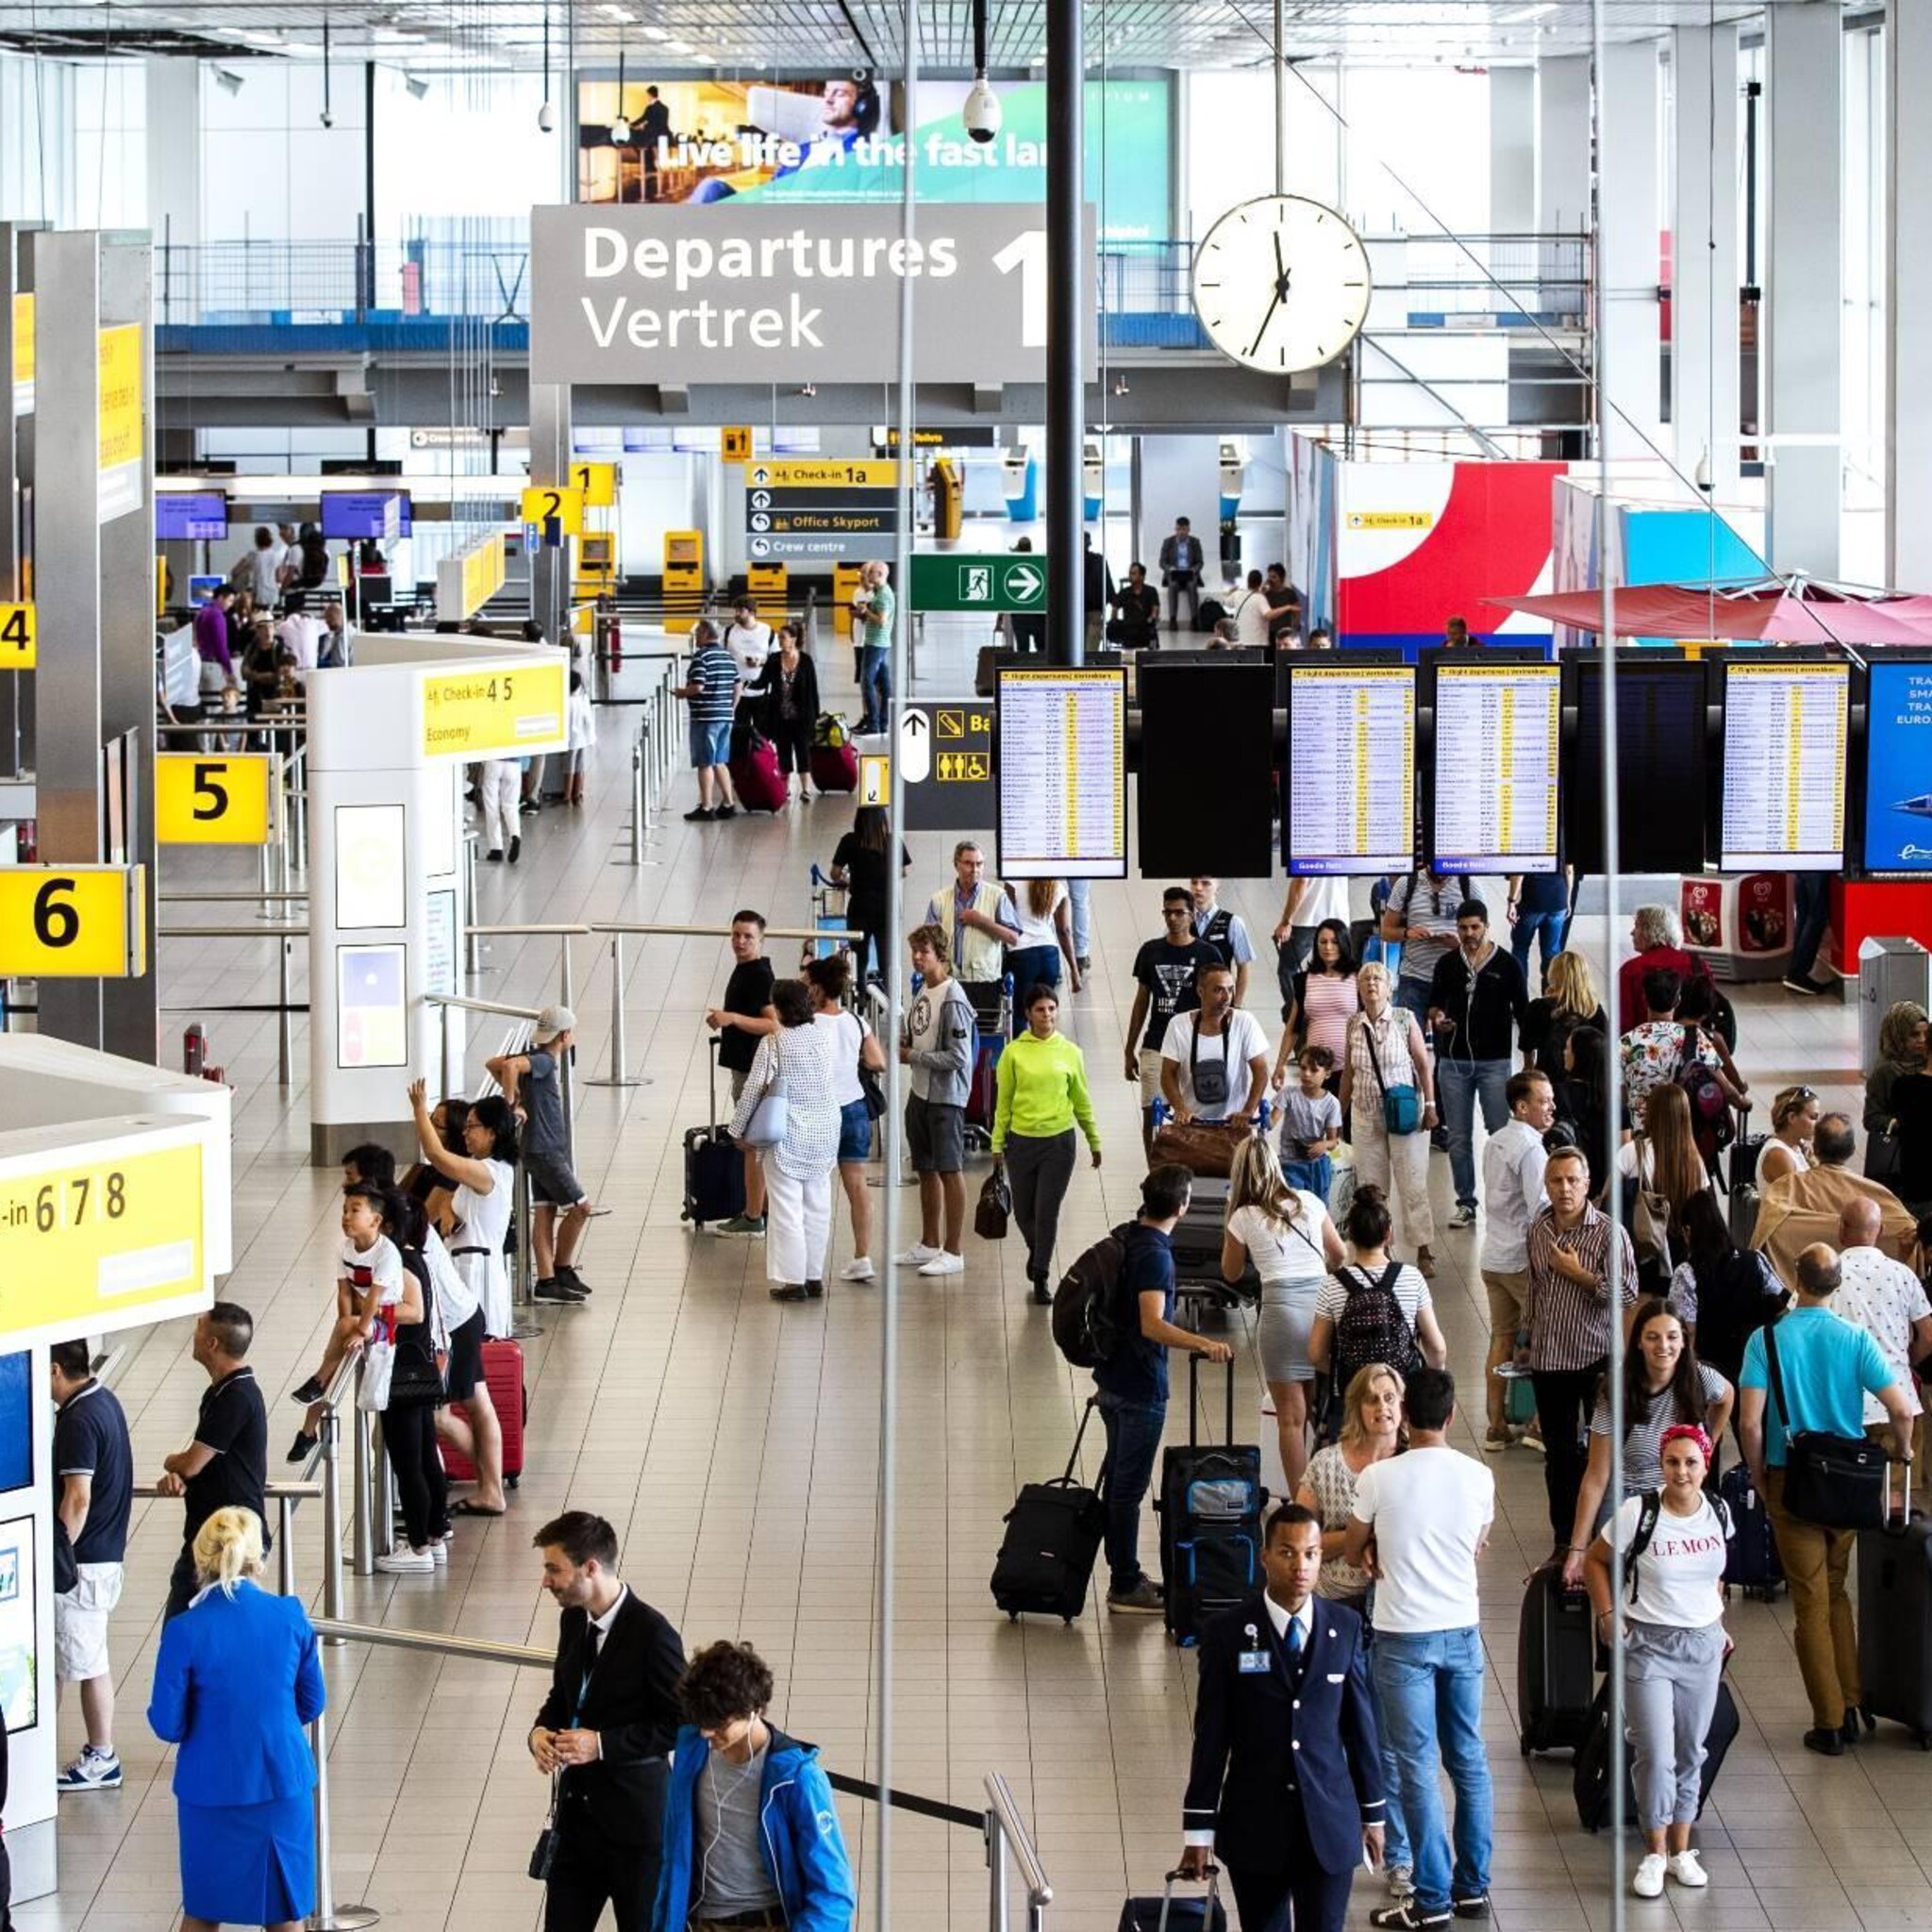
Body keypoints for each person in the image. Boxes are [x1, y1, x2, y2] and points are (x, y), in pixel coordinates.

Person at [1177, 1506, 1387, 1932]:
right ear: (1266, 1556)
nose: (1301, 1566)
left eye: (1311, 1554)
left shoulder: (1344, 1628)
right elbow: (1212, 1737)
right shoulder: (1228, 1633)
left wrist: (1374, 1814)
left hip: (1328, 1825)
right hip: (1256, 1827)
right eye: (1288, 1553)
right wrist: (1199, 1829)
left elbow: (1361, 1730)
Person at [1739, 1244, 1914, 1753]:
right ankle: (1854, 1699)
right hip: (1847, 1484)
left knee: (1811, 1602)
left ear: (1797, 1277)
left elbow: (1750, 1421)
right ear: (1837, 1284)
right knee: (1836, 1592)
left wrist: (1756, 1471)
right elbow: (1901, 1410)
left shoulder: (1765, 1339)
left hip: (1789, 1480)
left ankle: (1830, 1722)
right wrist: (1900, 1455)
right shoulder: (1855, 1338)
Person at [1343, 1368, 1495, 1932]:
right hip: (1461, 1631)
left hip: (1401, 1637)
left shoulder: (1380, 1478)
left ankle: (1430, 1899)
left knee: (1415, 1767)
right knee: (1469, 1761)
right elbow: (1478, 1541)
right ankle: (1472, 1887)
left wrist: (1377, 1544)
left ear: (1405, 1418)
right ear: (1452, 1416)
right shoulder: (1479, 1477)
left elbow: (1355, 1543)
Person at [147, 1507, 325, 1932]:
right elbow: (312, 1701)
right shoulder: (289, 1615)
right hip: (280, 1781)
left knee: (203, 1910)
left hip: (209, 1789)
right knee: (284, 1913)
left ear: (200, 1557)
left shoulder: (185, 1629)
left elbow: (167, 1725)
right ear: (256, 1557)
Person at [1582, 1424, 1731, 1896]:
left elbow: (1715, 1578)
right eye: (1672, 1462)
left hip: (1702, 1646)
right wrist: (1608, 1614)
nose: (1681, 1472)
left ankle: (1682, 1851)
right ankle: (1654, 1851)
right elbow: (1595, 1561)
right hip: (1648, 1646)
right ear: (1661, 1464)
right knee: (1656, 1754)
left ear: (1706, 1466)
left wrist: (1719, 1623)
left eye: (1691, 1462)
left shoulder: (1720, 1513)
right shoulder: (1638, 1512)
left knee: (1690, 1751)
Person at [529, 1513, 688, 1932]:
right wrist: (540, 1732)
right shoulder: (573, 1619)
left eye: (554, 1569)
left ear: (591, 1568)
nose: (546, 1581)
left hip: (636, 1828)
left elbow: (682, 1723)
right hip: (577, 1820)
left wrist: (602, 1745)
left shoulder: (653, 1635)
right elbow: (564, 1697)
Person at [1094, 1165, 1235, 1613]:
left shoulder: (1129, 1236)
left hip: (1113, 1381)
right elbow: (1152, 1323)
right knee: (1127, 1491)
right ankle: (1125, 1582)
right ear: (1182, 1206)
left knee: (1117, 1484)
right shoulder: (1155, 1254)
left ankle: (1125, 1574)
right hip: (1139, 1390)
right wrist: (1204, 1343)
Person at [1298, 1362, 1413, 1898]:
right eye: (1372, 1399)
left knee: (1390, 1738)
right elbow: (1300, 1539)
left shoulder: (1416, 1465)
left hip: (1393, 1612)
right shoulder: (1326, 1465)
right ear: (1357, 1408)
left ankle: (1400, 1854)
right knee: (1334, 1734)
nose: (1383, 1407)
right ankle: (1338, 1837)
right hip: (1335, 1612)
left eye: (1390, 1397)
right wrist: (1357, 1541)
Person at [652, 1641, 856, 1932]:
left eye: (719, 1724)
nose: (707, 1732)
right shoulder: (692, 1752)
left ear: (755, 1710)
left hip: (769, 1924)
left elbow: (833, 1893)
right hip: (699, 1922)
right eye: (701, 1721)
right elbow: (673, 1858)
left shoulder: (798, 1779)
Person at [1517, 1145, 1640, 1555]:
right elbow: (1534, 1288)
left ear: (1587, 1185)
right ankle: (1565, 1538)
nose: (1565, 1189)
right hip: (1549, 1360)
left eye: (1573, 1180)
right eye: (1556, 1180)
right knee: (1560, 1457)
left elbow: (1626, 1292)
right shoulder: (1538, 1230)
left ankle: (1607, 1535)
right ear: (1546, 1185)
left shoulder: (1608, 1233)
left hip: (1596, 1358)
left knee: (1606, 1453)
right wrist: (1526, 1337)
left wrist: (1581, 1275)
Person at [1561, 1301, 1732, 1582]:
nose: (1663, 1346)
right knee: (1620, 1588)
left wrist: (1707, 1443)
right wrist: (1578, 1549)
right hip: (1627, 1498)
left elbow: (1727, 1396)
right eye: (1652, 1337)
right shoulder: (1617, 1391)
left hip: (1679, 1499)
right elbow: (1596, 1475)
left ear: (1684, 1341)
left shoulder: (1701, 1378)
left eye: (1672, 1337)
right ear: (1639, 1342)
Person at [397, 1091, 511, 1511]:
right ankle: (487, 1484)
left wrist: (418, 1111)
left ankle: (488, 1484)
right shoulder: (484, 1175)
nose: (466, 1136)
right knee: (473, 1396)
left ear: (493, 1133)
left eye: (472, 1128)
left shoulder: (489, 1172)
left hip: (475, 1279)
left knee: (470, 1399)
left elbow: (435, 1153)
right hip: (471, 1273)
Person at [1225, 1137, 1344, 1490]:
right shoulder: (1309, 1201)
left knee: (1291, 1421)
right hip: (1322, 1311)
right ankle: (1334, 1493)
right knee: (1325, 1412)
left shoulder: (1242, 1216)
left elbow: (1230, 1273)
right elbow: (1338, 1255)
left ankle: (1301, 1507)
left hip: (1281, 1313)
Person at [51, 1340, 133, 1793]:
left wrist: (58, 1553)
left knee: (83, 1661)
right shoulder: (103, 1400)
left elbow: (78, 1497)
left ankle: (102, 1755)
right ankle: (97, 1752)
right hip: (103, 1558)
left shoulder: (79, 1419)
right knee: (79, 1659)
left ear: (55, 1369)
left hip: (83, 1566)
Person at [730, 978, 842, 1304]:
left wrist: (737, 1132)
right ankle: (813, 1275)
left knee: (787, 1210)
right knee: (818, 1207)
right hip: (825, 1132)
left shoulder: (774, 1043)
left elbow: (752, 1091)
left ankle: (794, 1281)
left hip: (788, 1134)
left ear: (778, 1009)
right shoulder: (822, 1036)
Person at [991, 982, 1101, 1304]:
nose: (1047, 1015)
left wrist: (1093, 1138)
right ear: (1028, 1014)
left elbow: (1081, 1099)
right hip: (1021, 1142)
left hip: (1059, 1143)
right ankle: (1036, 1252)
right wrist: (997, 1144)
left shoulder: (1070, 1052)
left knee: (1047, 1211)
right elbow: (1003, 1102)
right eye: (1040, 1009)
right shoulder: (1013, 1053)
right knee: (1024, 1214)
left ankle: (1041, 1274)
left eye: (1052, 1008)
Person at [158, 1304, 268, 1622]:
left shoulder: (235, 1396)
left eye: (198, 1328)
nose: (192, 1335)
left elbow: (192, 1463)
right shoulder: (224, 1391)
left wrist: (171, 1462)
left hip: (225, 1536)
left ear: (212, 1344)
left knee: (183, 1623)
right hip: (216, 1528)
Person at [1427, 899, 1527, 1229]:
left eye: (1474, 927)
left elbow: (1523, 1014)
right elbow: (1434, 1005)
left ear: (1486, 926)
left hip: (1495, 1062)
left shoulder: (1508, 965)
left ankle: (1504, 1200)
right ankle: (1466, 1201)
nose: (1469, 934)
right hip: (1453, 1062)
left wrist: (1528, 1064)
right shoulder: (1446, 965)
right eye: (1463, 928)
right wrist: (1438, 1019)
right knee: (1457, 1136)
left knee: (1500, 1133)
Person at [490, 1008, 597, 1303]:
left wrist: (519, 1097)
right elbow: (508, 1068)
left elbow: (495, 1064)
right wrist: (511, 1104)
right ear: (564, 1036)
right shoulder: (544, 1062)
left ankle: (548, 1280)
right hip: (545, 1149)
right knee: (581, 1208)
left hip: (539, 1147)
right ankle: (561, 1268)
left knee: (545, 1211)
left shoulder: (534, 1060)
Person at [1339, 961, 1439, 1274]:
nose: (1371, 983)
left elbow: (1423, 1065)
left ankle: (1424, 1250)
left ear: (1389, 986)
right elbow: (1349, 1073)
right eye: (1366, 978)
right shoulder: (1353, 1023)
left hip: (1403, 1113)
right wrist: (1337, 1113)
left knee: (1412, 1181)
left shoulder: (1404, 1019)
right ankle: (1380, 1247)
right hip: (1364, 1114)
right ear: (1358, 987)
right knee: (1371, 1186)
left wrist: (1431, 1105)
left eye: (1378, 978)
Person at [1754, 1111, 1923, 1289]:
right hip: (1865, 1293)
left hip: (1800, 1294)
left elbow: (1767, 1231)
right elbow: (1908, 1231)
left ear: (1816, 1148)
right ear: (1852, 1150)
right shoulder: (1876, 1194)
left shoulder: (1786, 1189)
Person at [373, 1192, 451, 1573]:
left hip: (402, 1373)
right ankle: (435, 1535)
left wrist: (368, 1313)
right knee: (424, 1457)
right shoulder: (418, 1258)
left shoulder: (400, 1262)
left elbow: (414, 1313)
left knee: (409, 1464)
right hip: (420, 1370)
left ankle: (419, 1544)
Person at [1310, 1188, 1449, 1398]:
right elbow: (1437, 1348)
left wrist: (1345, 1377)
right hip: (1402, 1390)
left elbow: (1316, 1354)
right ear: (1388, 1233)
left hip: (1353, 1396)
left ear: (1350, 1234)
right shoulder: (1412, 1278)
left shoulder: (1332, 1285)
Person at [1478, 1070, 1554, 1452]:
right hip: (1522, 1261)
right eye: (1543, 1100)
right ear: (1522, 1107)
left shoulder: (1494, 1141)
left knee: (1501, 1338)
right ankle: (1539, 1423)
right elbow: (1540, 1207)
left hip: (1493, 1256)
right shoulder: (1531, 1148)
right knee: (1548, 1337)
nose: (1551, 1107)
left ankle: (1495, 1425)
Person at [897, 924, 975, 1277]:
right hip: (920, 1093)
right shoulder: (923, 991)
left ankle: (954, 1249)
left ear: (940, 954)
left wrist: (913, 1056)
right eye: (915, 950)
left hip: (945, 1099)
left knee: (948, 1169)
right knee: (925, 1167)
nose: (917, 957)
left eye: (924, 951)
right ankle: (929, 1241)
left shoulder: (953, 998)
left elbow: (958, 1057)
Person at [805, 954, 886, 1284]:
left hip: (821, 1110)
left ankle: (810, 1263)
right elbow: (878, 1062)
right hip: (853, 1108)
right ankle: (861, 1256)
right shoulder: (856, 1021)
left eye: (810, 985)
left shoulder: (807, 1024)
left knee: (815, 1187)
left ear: (820, 989)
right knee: (857, 1185)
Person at [1125, 888, 1224, 1155]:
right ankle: (1155, 1173)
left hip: (1196, 1045)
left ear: (1192, 915)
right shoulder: (1150, 951)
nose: (1172, 918)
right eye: (1167, 912)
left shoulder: (1208, 954)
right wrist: (1129, 1049)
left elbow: (1222, 1001)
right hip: (1156, 1043)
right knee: (1153, 1111)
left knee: (1193, 1111)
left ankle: (1188, 1168)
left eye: (1179, 912)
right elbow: (1141, 1001)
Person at [1831, 1196, 1932, 1439]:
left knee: (1841, 1476)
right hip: (1898, 1405)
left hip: (1839, 1407)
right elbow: (1928, 1336)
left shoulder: (1825, 1273)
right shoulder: (1903, 1275)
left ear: (1841, 1227)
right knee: (1900, 1474)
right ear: (1881, 1230)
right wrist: (1908, 1362)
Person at [705, 910, 776, 1240]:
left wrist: (732, 1018)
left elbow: (773, 1024)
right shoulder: (746, 970)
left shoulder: (759, 976)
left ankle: (752, 1215)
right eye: (736, 935)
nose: (740, 941)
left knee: (751, 1144)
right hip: (745, 1066)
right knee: (753, 1143)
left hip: (753, 1071)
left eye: (747, 936)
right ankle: (758, 1209)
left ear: (761, 939)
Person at [1666, 1190, 1787, 1384]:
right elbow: (1784, 1306)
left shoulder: (1686, 1274)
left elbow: (1687, 1333)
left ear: (1688, 1231)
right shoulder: (1755, 1260)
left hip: (1712, 1373)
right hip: (1755, 1367)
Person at [1618, 968, 1746, 1128]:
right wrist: (1742, 1103)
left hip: (1641, 1137)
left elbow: (1621, 1096)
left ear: (1645, 998)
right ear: (1678, 1000)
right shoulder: (1695, 1038)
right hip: (1682, 1134)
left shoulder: (1626, 1043)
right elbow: (1726, 1088)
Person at [1617, 1082, 1716, 1286]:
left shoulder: (1632, 1152)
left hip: (1642, 1250)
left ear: (1652, 1113)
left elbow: (1610, 1196)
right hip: (1682, 1252)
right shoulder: (1694, 1159)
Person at [1160, 962, 1271, 1126]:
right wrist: (1180, 1108)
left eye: (1230, 989)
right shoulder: (1178, 1025)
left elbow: (1261, 1070)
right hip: (1193, 1122)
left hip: (1234, 1122)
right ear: (1200, 991)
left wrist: (1248, 1111)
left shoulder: (1244, 1022)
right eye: (1219, 990)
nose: (1227, 997)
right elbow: (1167, 1074)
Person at [923, 841, 1021, 995]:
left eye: (979, 864)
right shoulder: (939, 899)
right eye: (969, 863)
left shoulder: (997, 896)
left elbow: (1013, 938)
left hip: (985, 982)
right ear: (956, 865)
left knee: (984, 1020)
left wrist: (982, 922)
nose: (975, 869)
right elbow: (927, 943)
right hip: (947, 981)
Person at [828, 803, 909, 988]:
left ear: (859, 819)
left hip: (859, 908)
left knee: (859, 960)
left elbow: (834, 872)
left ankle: (861, 1001)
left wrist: (848, 879)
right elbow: (904, 871)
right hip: (888, 909)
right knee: (887, 960)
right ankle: (890, 1001)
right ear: (883, 819)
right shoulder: (893, 841)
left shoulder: (849, 841)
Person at [1275, 917, 1360, 1090]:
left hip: (1353, 1067)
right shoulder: (1304, 980)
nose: (1328, 947)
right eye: (1323, 942)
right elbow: (1293, 1028)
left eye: (1335, 942)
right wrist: (1280, 1064)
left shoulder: (1358, 977)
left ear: (1344, 944)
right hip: (1316, 1070)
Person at [1380, 867, 1470, 1026]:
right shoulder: (1406, 883)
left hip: (1453, 979)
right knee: (1405, 1042)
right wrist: (1408, 933)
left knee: (1448, 1045)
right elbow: (1386, 932)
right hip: (1413, 979)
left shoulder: (1468, 884)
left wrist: (1460, 945)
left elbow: (1483, 935)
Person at [673, 619, 741, 822]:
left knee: (705, 762)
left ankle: (706, 806)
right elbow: (738, 687)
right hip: (725, 717)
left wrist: (682, 692)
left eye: (696, 634)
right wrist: (731, 709)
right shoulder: (728, 657)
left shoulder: (701, 657)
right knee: (720, 761)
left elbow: (698, 686)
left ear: (704, 634)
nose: (694, 638)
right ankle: (728, 803)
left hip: (706, 717)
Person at [744, 622, 818, 806]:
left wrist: (814, 718)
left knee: (802, 752)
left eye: (783, 638)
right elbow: (762, 682)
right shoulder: (775, 659)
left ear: (793, 639)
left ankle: (806, 789)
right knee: (784, 753)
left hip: (802, 717)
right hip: (780, 716)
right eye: (779, 638)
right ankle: (784, 790)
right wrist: (746, 684)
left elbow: (812, 692)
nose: (780, 641)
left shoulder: (806, 661)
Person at [1615, 906, 1713, 1034]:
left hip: (1645, 1047)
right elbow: (1709, 1011)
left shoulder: (1630, 970)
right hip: (1692, 1044)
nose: (1632, 932)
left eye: (1637, 926)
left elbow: (1623, 1026)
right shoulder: (1699, 965)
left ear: (1649, 931)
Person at [1518, 947, 1605, 1083]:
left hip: (1547, 1078)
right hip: (1585, 1079)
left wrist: (1529, 1066)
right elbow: (1606, 1043)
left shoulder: (1539, 1007)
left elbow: (1527, 1045)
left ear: (1552, 975)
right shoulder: (1592, 1009)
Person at [1864, 1002, 1929, 1183]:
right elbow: (1871, 1118)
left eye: (1926, 1034)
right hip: (1900, 1156)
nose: (1922, 1040)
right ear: (1898, 1036)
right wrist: (1903, 1123)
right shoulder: (1885, 1072)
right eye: (1914, 1034)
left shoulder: (1928, 1064)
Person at [1277, 1046, 1343, 1201]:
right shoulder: (1288, 1094)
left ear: (1327, 1074)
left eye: (1314, 1070)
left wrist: (1324, 1145)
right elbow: (1270, 1122)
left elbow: (1333, 1141)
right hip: (1289, 1164)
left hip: (1316, 1167)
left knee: (1319, 1209)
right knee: (1292, 1207)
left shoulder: (1332, 1104)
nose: (1306, 1074)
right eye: (1303, 1068)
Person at [1003, 876, 1081, 1007]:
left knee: (1019, 1012)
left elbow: (1006, 919)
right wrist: (1074, 970)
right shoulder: (1059, 888)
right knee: (1043, 1008)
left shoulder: (1013, 883)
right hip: (1049, 955)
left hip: (1020, 954)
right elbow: (1064, 931)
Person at [1274, 874, 1353, 997]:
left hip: (1307, 918)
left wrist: (1286, 921)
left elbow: (1301, 882)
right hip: (1339, 915)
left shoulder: (1302, 853)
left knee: (1288, 970)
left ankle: (1295, 1011)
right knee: (1335, 970)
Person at [1188, 874, 1257, 1007]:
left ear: (1217, 888)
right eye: (1194, 882)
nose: (1198, 888)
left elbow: (1243, 968)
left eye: (1205, 883)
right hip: (1188, 1000)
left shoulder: (1233, 923)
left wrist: (1236, 1006)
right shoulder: (1183, 921)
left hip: (1219, 1000)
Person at [1503, 867, 1572, 988]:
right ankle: (1552, 997)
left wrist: (1511, 902)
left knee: (1520, 948)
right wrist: (1568, 899)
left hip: (1530, 902)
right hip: (1558, 901)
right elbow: (1569, 870)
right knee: (1552, 953)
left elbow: (1518, 873)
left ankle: (1520, 995)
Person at [852, 558, 894, 734]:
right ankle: (883, 722)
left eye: (871, 573)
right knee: (884, 684)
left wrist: (865, 612)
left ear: (880, 574)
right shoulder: (880, 592)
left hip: (876, 643)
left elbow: (882, 620)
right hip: (878, 642)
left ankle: (874, 724)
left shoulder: (884, 595)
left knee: (867, 681)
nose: (867, 575)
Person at [1758, 1084, 1820, 1190]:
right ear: (1792, 1118)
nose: (1817, 1123)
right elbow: (1802, 1198)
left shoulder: (1795, 1146)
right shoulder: (1779, 1155)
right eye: (1813, 1117)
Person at [1158, 516, 1205, 629]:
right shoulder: (1168, 542)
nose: (1181, 532)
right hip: (1174, 573)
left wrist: (1193, 570)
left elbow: (1200, 562)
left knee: (1192, 585)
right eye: (1178, 529)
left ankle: (1194, 619)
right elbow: (1162, 562)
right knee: (1173, 586)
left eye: (1183, 529)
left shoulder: (1195, 542)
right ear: (1175, 529)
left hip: (1189, 573)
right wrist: (1170, 569)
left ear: (1188, 529)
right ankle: (1173, 619)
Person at [478, 742, 523, 862]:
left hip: (493, 760)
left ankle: (496, 849)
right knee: (511, 806)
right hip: (514, 762)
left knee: (492, 807)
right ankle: (515, 835)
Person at [1109, 560, 1161, 648]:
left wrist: (1152, 618)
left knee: (1150, 631)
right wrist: (1114, 621)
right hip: (1129, 629)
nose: (1130, 576)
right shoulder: (1124, 592)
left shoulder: (1151, 591)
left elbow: (1155, 609)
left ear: (1142, 576)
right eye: (1130, 573)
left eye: (1133, 573)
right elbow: (1115, 608)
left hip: (1145, 627)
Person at [722, 596, 773, 680]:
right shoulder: (727, 631)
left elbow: (777, 659)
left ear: (752, 613)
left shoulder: (767, 631)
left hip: (760, 688)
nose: (737, 614)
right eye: (736, 610)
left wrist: (760, 662)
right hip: (733, 686)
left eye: (741, 611)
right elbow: (720, 656)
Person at [234, 525, 285, 607]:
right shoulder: (276, 556)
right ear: (270, 540)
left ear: (256, 540)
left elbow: (235, 571)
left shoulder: (252, 555)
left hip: (258, 594)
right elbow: (279, 578)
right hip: (273, 595)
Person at [1231, 569, 1273, 650]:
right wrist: (1287, 607)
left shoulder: (1237, 594)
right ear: (1260, 583)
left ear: (1248, 581)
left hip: (1240, 640)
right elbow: (1268, 615)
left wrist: (1232, 590)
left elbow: (1226, 601)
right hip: (1258, 642)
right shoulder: (1260, 598)